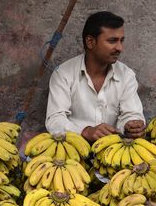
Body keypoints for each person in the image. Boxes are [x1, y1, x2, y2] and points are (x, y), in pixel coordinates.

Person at [45, 11, 145, 143]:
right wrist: (85, 131)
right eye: (112, 41)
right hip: (72, 147)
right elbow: (55, 119)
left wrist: (130, 125)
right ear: (90, 42)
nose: (120, 48)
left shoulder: (126, 75)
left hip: (113, 151)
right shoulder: (63, 74)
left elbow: (132, 113)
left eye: (122, 41)